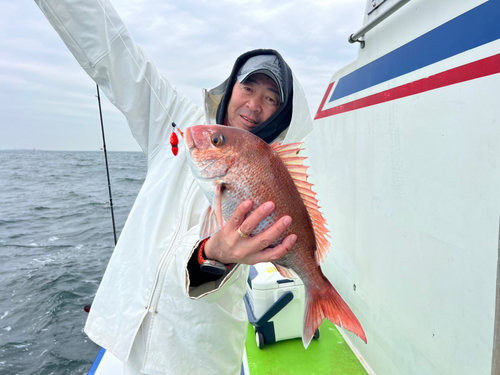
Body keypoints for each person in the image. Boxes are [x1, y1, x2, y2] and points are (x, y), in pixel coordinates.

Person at [35, 0, 314, 374]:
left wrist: (216, 254)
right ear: (230, 88)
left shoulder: (274, 169)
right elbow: (115, 51)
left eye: (271, 99)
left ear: (281, 113)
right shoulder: (180, 124)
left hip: (196, 356)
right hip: (124, 341)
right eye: (248, 87)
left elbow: (217, 262)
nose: (254, 105)